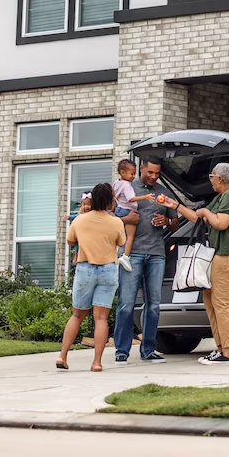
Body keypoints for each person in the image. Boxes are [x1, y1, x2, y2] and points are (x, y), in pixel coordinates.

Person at [156, 162, 229, 365]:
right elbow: (199, 218)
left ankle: (227, 352)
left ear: (220, 178)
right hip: (221, 255)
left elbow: (220, 223)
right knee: (209, 299)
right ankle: (220, 348)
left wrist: (206, 212)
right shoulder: (219, 198)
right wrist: (176, 206)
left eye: (212, 176)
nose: (210, 179)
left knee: (222, 303)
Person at [112, 156, 178, 365]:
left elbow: (175, 223)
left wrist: (166, 221)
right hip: (130, 255)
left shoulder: (164, 193)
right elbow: (109, 216)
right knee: (126, 303)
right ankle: (121, 351)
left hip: (157, 254)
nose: (153, 177)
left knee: (154, 304)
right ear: (142, 168)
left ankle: (148, 350)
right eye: (150, 172)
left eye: (157, 174)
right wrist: (126, 219)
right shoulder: (126, 188)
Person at [57, 182, 127, 372]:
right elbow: (121, 242)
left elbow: (71, 241)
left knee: (77, 315)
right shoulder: (116, 222)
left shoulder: (80, 220)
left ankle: (62, 356)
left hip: (85, 268)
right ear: (110, 201)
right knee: (101, 318)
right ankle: (96, 362)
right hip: (107, 270)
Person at [112, 158, 159, 271]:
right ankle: (126, 256)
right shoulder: (127, 185)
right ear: (122, 172)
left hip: (119, 209)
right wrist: (145, 197)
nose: (133, 176)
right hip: (127, 210)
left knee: (123, 235)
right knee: (131, 236)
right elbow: (131, 198)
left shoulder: (116, 183)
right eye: (132, 174)